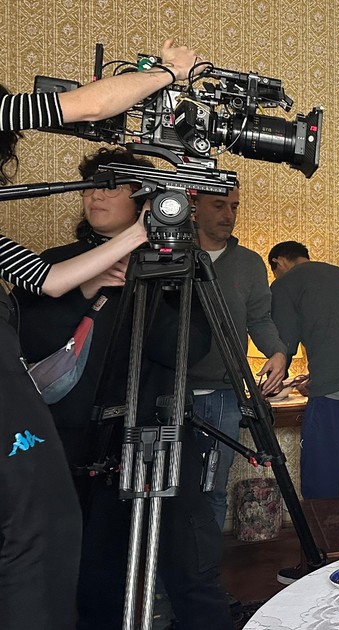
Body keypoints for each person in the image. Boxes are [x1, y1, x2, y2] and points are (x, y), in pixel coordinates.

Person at [13, 147, 228, 630]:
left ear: (144, 200)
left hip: (160, 432)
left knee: (191, 568)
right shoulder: (56, 266)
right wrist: (88, 291)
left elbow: (190, 348)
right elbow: (30, 346)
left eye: (111, 187)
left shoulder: (175, 265)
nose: (95, 196)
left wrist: (141, 286)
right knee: (96, 579)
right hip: (82, 442)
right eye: (90, 186)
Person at [189, 186, 287, 528]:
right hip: (170, 388)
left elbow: (259, 318)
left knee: (213, 489)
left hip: (224, 392)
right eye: (219, 205)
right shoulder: (170, 253)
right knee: (171, 489)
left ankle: (207, 561)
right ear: (194, 206)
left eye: (234, 206)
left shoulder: (249, 262)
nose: (228, 214)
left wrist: (277, 351)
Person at [268, 241, 339, 501]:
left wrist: (273, 383)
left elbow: (284, 343)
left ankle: (323, 529)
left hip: (335, 389)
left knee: (321, 480)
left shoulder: (285, 284)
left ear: (278, 262)